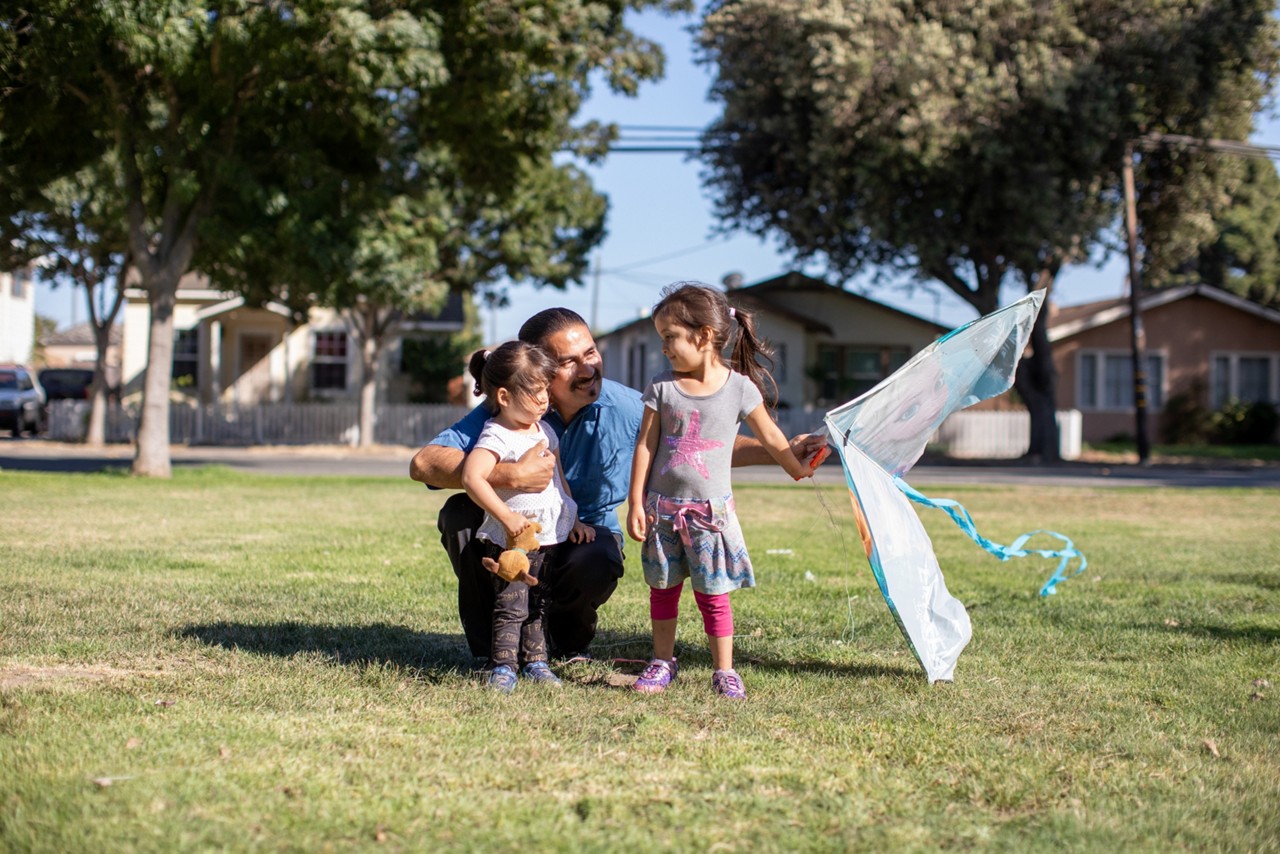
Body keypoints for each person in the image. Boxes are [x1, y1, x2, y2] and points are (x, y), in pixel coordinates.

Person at [409, 306, 825, 663]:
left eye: (590, 351)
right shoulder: (512, 406)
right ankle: (494, 653)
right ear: (539, 370)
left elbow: (702, 446)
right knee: (460, 515)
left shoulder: (629, 406)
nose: (588, 367)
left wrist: (783, 450)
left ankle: (565, 641)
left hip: (583, 536)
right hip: (520, 535)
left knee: (598, 557)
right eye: (569, 361)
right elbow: (424, 463)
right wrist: (508, 475)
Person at [626, 283, 814, 700]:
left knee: (714, 594)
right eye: (662, 339)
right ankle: (661, 661)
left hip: (712, 515)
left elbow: (771, 438)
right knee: (663, 590)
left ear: (704, 335)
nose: (664, 348)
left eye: (670, 337)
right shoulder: (661, 387)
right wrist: (635, 500)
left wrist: (797, 468)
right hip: (662, 510)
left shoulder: (741, 389)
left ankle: (724, 671)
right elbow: (645, 445)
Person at [459, 342, 595, 692]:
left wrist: (573, 517)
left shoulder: (543, 430)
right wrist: (505, 517)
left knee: (538, 601)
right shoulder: (497, 434)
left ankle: (536, 661)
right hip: (511, 541)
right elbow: (471, 477)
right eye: (535, 393)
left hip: (545, 537)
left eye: (545, 392)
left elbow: (557, 477)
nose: (544, 401)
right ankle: (503, 665)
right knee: (511, 603)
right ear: (504, 396)